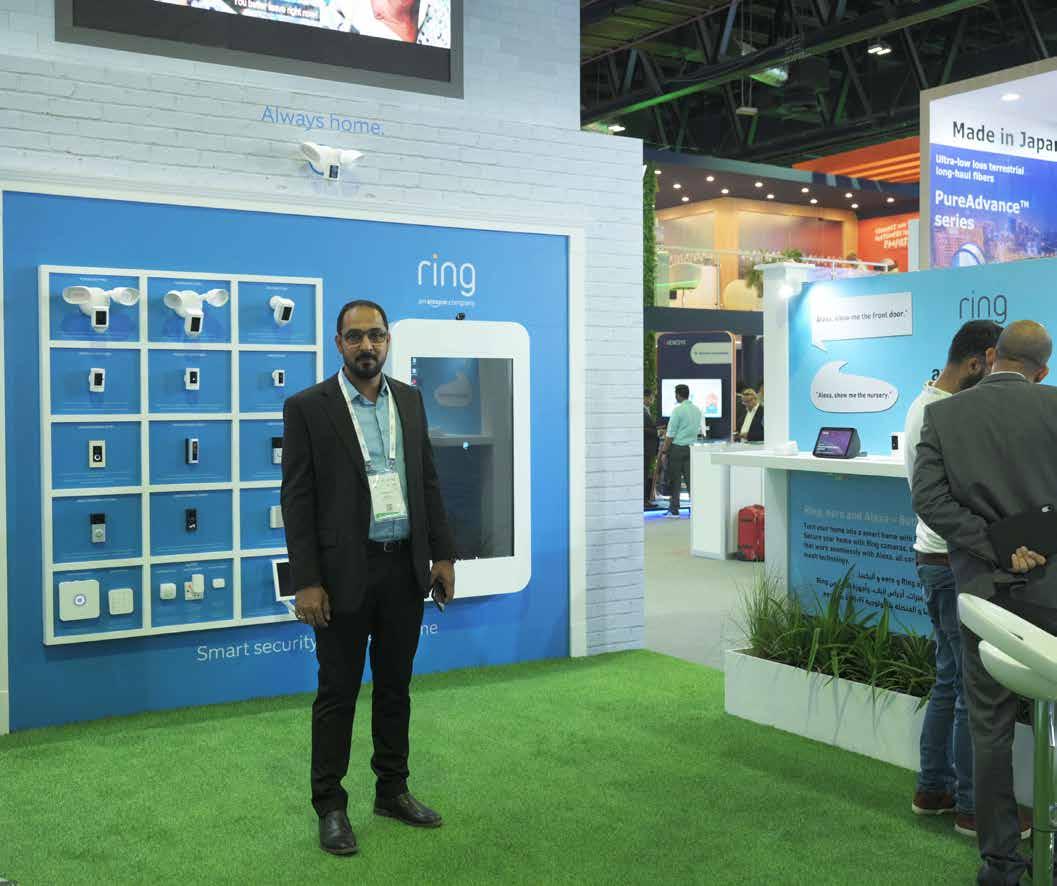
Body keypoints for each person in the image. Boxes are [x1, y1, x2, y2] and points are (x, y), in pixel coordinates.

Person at [281, 299, 457, 857]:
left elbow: (427, 481)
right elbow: (297, 500)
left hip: (403, 567)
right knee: (337, 693)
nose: (367, 346)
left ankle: (392, 790)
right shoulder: (308, 407)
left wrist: (443, 555)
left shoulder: (409, 399)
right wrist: (306, 581)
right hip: (341, 574)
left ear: (387, 341)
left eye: (376, 336)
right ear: (339, 343)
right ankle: (330, 807)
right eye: (355, 336)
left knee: (395, 686)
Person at [913, 320, 1057, 885]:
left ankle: (1001, 864)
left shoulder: (943, 416)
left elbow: (929, 500)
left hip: (983, 594)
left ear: (994, 358)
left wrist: (995, 545)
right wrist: (1034, 543)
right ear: (1041, 369)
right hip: (1051, 587)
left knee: (990, 727)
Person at [903, 320, 1002, 838]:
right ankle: (969, 806)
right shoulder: (941, 414)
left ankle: (933, 788)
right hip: (949, 562)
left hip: (934, 559)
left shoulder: (925, 405)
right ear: (978, 361)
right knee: (968, 685)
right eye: (995, 368)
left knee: (948, 678)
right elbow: (941, 498)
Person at [660, 384, 701, 518]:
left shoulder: (677, 410)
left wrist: (664, 451)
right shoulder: (697, 410)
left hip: (677, 449)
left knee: (675, 480)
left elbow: (670, 433)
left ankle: (674, 509)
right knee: (690, 481)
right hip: (691, 449)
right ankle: (696, 509)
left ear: (677, 395)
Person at [644, 390, 659, 508]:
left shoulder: (646, 410)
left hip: (648, 449)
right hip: (645, 448)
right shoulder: (641, 411)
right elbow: (642, 429)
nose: (652, 401)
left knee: (645, 473)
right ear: (645, 397)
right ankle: (644, 501)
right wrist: (657, 432)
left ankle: (645, 500)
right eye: (651, 398)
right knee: (643, 474)